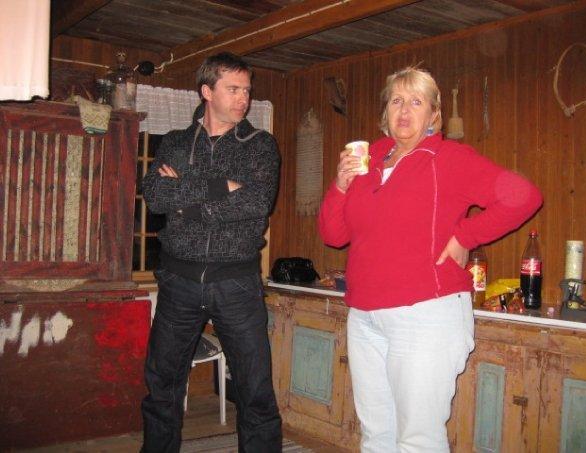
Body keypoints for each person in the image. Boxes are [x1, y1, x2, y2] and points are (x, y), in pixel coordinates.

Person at [318, 66, 542, 453]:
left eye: (416, 102)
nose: (404, 110)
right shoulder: (369, 159)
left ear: (434, 114)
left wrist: (465, 236)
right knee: (376, 436)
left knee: (417, 440)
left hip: (425, 316)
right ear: (385, 111)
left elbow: (524, 196)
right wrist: (340, 184)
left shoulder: (448, 157)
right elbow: (334, 235)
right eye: (396, 101)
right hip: (365, 317)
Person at [141, 52, 282, 453]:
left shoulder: (260, 145)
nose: (244, 99)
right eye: (233, 89)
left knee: (255, 389)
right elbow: (155, 196)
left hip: (236, 283)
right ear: (207, 91)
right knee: (162, 385)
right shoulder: (175, 142)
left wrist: (183, 201)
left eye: (247, 90)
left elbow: (256, 202)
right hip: (178, 282)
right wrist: (224, 187)